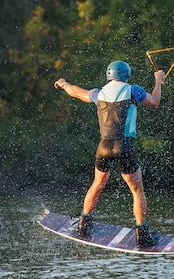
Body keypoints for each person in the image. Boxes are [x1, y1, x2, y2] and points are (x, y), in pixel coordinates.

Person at [54, 61, 165, 247]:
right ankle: (142, 233)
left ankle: (84, 224)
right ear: (127, 75)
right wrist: (158, 81)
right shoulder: (133, 90)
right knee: (137, 190)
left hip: (103, 146)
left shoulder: (99, 93)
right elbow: (154, 102)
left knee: (98, 183)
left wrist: (63, 84)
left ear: (109, 75)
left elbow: (76, 91)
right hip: (124, 146)